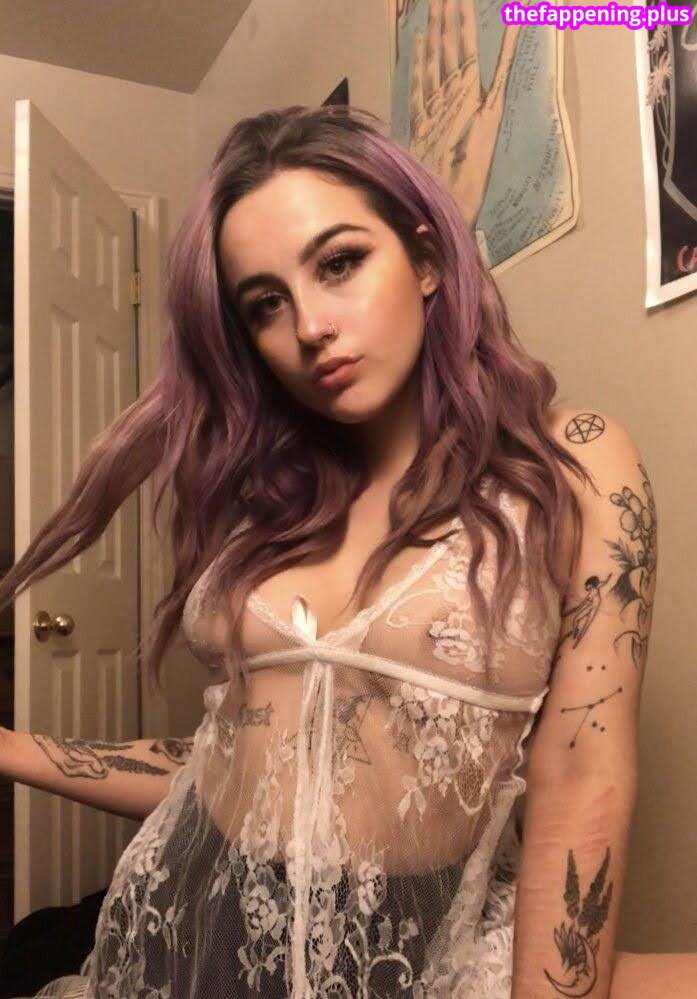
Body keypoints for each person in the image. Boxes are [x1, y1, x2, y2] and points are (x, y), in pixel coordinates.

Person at [0, 103, 694, 998]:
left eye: (338, 264)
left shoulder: (572, 465)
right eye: (265, 304)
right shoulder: (269, 504)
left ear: (427, 258)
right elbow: (233, 756)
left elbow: (581, 771)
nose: (309, 327)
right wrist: (12, 747)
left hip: (424, 955)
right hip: (182, 941)